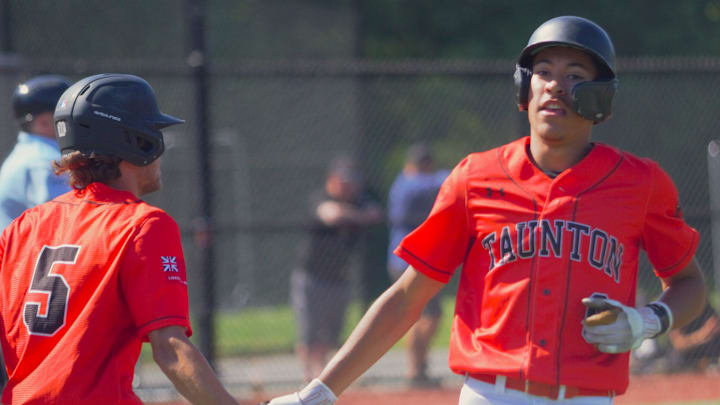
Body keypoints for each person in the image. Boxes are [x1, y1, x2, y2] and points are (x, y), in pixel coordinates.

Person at [264, 16, 706, 405]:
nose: (553, 84)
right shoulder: (475, 177)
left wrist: (649, 320)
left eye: (574, 74)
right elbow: (406, 298)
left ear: (601, 96)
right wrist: (317, 393)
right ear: (523, 87)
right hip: (491, 396)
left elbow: (689, 285)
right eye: (543, 72)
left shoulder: (641, 183)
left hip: (587, 399)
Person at [0, 73, 240, 405]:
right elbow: (170, 350)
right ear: (136, 142)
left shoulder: (21, 227)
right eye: (153, 133)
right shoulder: (143, 224)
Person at [0, 75, 73, 392]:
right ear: (45, 122)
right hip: (15, 294)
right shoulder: (45, 163)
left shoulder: (24, 157)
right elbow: (66, 229)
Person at [291, 157, 383, 382]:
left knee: (330, 333)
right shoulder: (319, 197)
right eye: (344, 181)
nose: (349, 187)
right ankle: (309, 376)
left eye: (352, 182)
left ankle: (320, 375)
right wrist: (358, 216)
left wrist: (354, 214)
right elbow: (330, 214)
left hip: (338, 278)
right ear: (332, 181)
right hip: (311, 276)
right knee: (309, 332)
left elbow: (377, 213)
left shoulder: (358, 201)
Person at [386, 143, 449, 387]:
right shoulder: (406, 184)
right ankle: (414, 369)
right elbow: (437, 181)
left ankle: (418, 367)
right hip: (408, 261)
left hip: (415, 259)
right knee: (424, 316)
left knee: (428, 316)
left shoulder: (415, 182)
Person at [0, 75, 72, 230]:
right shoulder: (43, 161)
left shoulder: (28, 153)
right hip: (22, 253)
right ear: (43, 122)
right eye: (68, 115)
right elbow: (65, 224)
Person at [666, 303, 720, 373]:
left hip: (708, 351)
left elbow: (714, 325)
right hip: (685, 359)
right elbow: (678, 344)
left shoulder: (704, 305)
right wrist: (701, 335)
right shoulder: (675, 308)